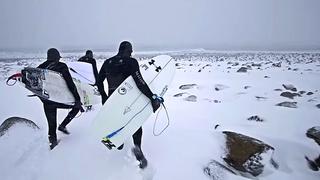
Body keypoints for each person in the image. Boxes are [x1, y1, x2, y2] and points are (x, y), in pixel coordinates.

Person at [96, 41, 163, 169]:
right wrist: (152, 97)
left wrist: (104, 97)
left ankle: (118, 142)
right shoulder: (131, 62)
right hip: (128, 99)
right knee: (135, 123)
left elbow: (99, 81)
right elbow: (140, 82)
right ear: (127, 50)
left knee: (116, 120)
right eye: (131, 50)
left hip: (112, 100)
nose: (132, 53)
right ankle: (137, 148)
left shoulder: (108, 62)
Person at [38, 48, 84, 150]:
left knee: (51, 124)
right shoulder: (61, 66)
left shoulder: (40, 68)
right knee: (76, 108)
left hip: (48, 101)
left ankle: (53, 144)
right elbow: (70, 83)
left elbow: (36, 87)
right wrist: (77, 99)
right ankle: (63, 125)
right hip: (59, 99)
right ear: (56, 57)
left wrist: (43, 99)